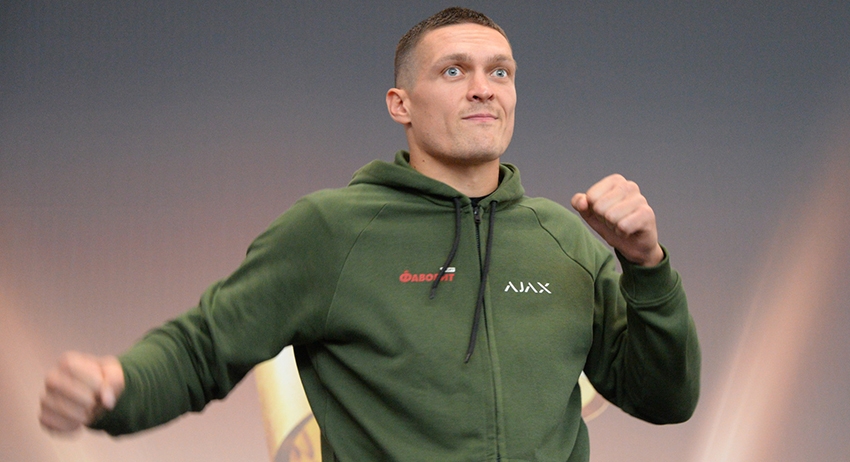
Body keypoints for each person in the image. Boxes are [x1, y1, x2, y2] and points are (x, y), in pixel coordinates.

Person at [39, 7, 700, 461]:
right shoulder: (331, 231)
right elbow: (203, 348)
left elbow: (666, 399)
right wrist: (117, 386)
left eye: (499, 72)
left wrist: (647, 265)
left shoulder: (565, 239)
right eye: (454, 71)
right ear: (400, 104)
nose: (483, 89)